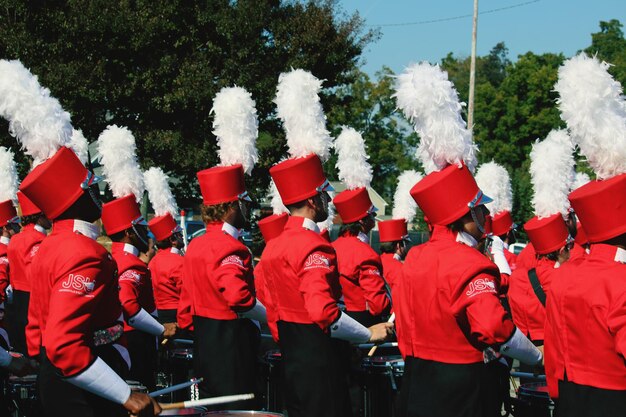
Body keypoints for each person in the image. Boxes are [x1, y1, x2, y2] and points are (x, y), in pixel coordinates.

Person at [22, 146, 160, 417]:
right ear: (80, 196)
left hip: (62, 376)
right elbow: (65, 344)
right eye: (91, 184)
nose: (98, 189)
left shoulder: (52, 245)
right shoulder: (83, 253)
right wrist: (125, 395)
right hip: (84, 387)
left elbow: (40, 332)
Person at [397, 163, 542, 417]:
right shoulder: (472, 262)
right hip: (461, 388)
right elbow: (495, 329)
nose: (485, 213)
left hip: (416, 379)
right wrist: (537, 356)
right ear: (465, 215)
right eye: (479, 208)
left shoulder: (414, 257)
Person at [262, 153, 394, 417]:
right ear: (313, 200)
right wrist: (368, 335)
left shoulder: (273, 246)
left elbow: (273, 314)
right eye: (324, 194)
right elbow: (323, 312)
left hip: (293, 359)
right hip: (321, 362)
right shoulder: (314, 245)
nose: (329, 200)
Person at [182, 162, 265, 407]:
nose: (248, 207)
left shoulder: (196, 244)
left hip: (204, 340)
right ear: (230, 206)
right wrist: (271, 316)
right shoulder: (231, 247)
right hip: (231, 345)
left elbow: (186, 307)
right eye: (244, 202)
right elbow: (238, 298)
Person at [9, 192, 49, 357]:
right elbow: (39, 276)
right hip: (34, 307)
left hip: (17, 305)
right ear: (39, 217)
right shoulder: (39, 240)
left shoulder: (16, 239)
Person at [148, 213, 184, 324]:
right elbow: (187, 293)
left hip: (158, 313)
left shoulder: (153, 261)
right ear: (173, 240)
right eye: (179, 234)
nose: (182, 236)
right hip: (178, 314)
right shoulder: (180, 261)